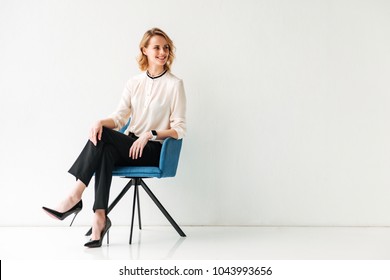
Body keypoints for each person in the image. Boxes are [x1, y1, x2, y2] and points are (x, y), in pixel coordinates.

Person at [42, 27, 186, 248]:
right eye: (156, 47)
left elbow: (180, 129)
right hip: (130, 147)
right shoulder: (134, 83)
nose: (162, 52)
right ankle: (100, 218)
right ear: (144, 50)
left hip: (153, 150)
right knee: (105, 146)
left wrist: (150, 134)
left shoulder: (174, 84)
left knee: (106, 138)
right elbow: (119, 118)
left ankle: (74, 197)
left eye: (165, 47)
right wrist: (99, 121)